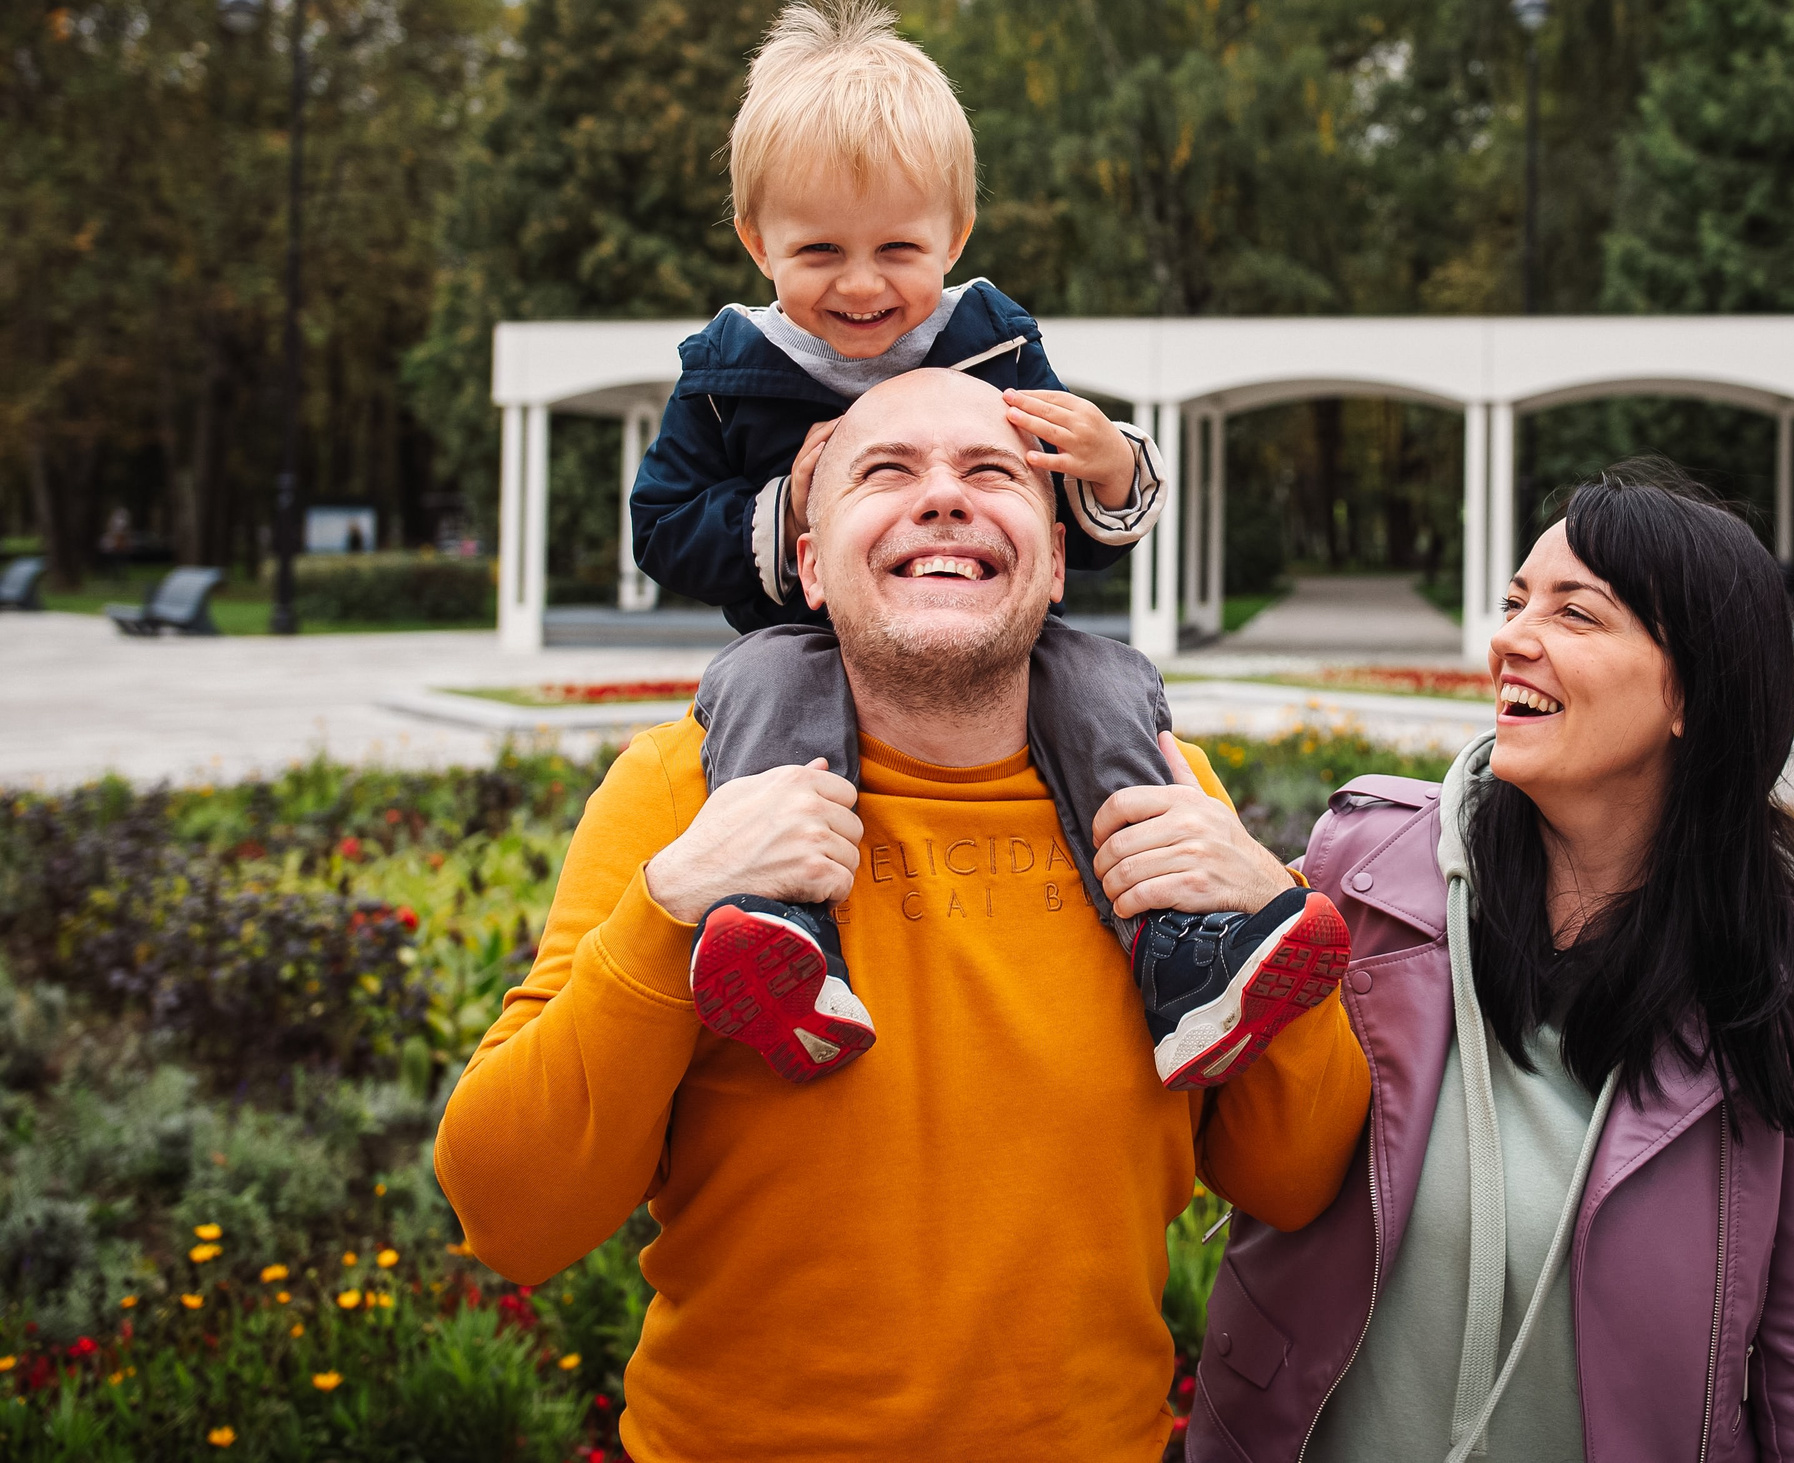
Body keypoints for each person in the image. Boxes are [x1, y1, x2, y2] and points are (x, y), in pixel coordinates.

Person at [435, 369, 1373, 1463]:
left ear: (1058, 558)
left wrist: (1260, 903)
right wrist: (663, 911)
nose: (942, 498)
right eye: (885, 472)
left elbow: (1294, 1177)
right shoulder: (683, 793)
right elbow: (508, 1215)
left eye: (993, 472)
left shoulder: (1163, 791)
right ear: (810, 564)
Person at [626, 0, 1341, 1089]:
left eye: (897, 248)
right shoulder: (728, 373)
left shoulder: (993, 342)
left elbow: (1068, 535)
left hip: (1008, 650)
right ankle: (782, 935)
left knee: (1106, 684)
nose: (861, 285)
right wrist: (788, 501)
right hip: (803, 637)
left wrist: (1109, 468)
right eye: (819, 249)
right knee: (761, 685)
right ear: (754, 241)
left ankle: (1184, 951)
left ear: (953, 238)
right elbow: (663, 524)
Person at [1188, 465, 1794, 1463]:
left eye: (1577, 612)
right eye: (1518, 601)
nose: (1510, 637)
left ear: (1691, 688)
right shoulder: (1364, 869)